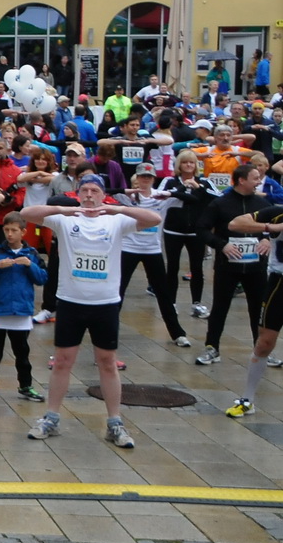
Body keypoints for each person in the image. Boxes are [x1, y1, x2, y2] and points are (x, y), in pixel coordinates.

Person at [21, 177, 162, 447]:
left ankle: (115, 422)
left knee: (107, 362)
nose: (89, 195)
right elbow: (27, 213)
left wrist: (118, 208)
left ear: (102, 195)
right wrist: (62, 210)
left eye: (94, 191)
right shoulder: (65, 219)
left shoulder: (115, 220)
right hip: (71, 301)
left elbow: (153, 218)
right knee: (63, 360)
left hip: (105, 303)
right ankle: (51, 417)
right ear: (78, 194)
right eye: (84, 190)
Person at [198, 163, 277, 365]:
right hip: (228, 266)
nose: (259, 182)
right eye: (255, 178)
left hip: (256, 267)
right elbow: (202, 229)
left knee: (257, 310)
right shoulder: (220, 204)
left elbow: (272, 229)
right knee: (220, 307)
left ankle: (260, 351)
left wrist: (267, 239)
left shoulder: (261, 205)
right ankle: (212, 348)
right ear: (242, 180)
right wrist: (221, 245)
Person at [114, 165, 187, 346]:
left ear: (154, 179)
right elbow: (107, 191)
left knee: (163, 292)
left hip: (152, 249)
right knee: (118, 291)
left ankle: (177, 333)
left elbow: (191, 198)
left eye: (149, 177)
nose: (145, 180)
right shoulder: (126, 197)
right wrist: (126, 190)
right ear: (137, 177)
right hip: (129, 248)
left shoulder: (160, 197)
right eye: (142, 176)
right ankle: (109, 333)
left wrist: (171, 194)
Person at [0, 213, 47, 403]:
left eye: (14, 231)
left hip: (22, 312)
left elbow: (42, 278)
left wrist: (30, 266)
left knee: (22, 354)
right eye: (6, 230)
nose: (9, 234)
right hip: (0, 310)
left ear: (23, 232)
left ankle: (25, 385)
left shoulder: (31, 254)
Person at [223, 202, 283, 418]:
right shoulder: (277, 212)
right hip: (279, 283)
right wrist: (271, 228)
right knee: (265, 342)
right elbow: (235, 224)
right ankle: (248, 400)